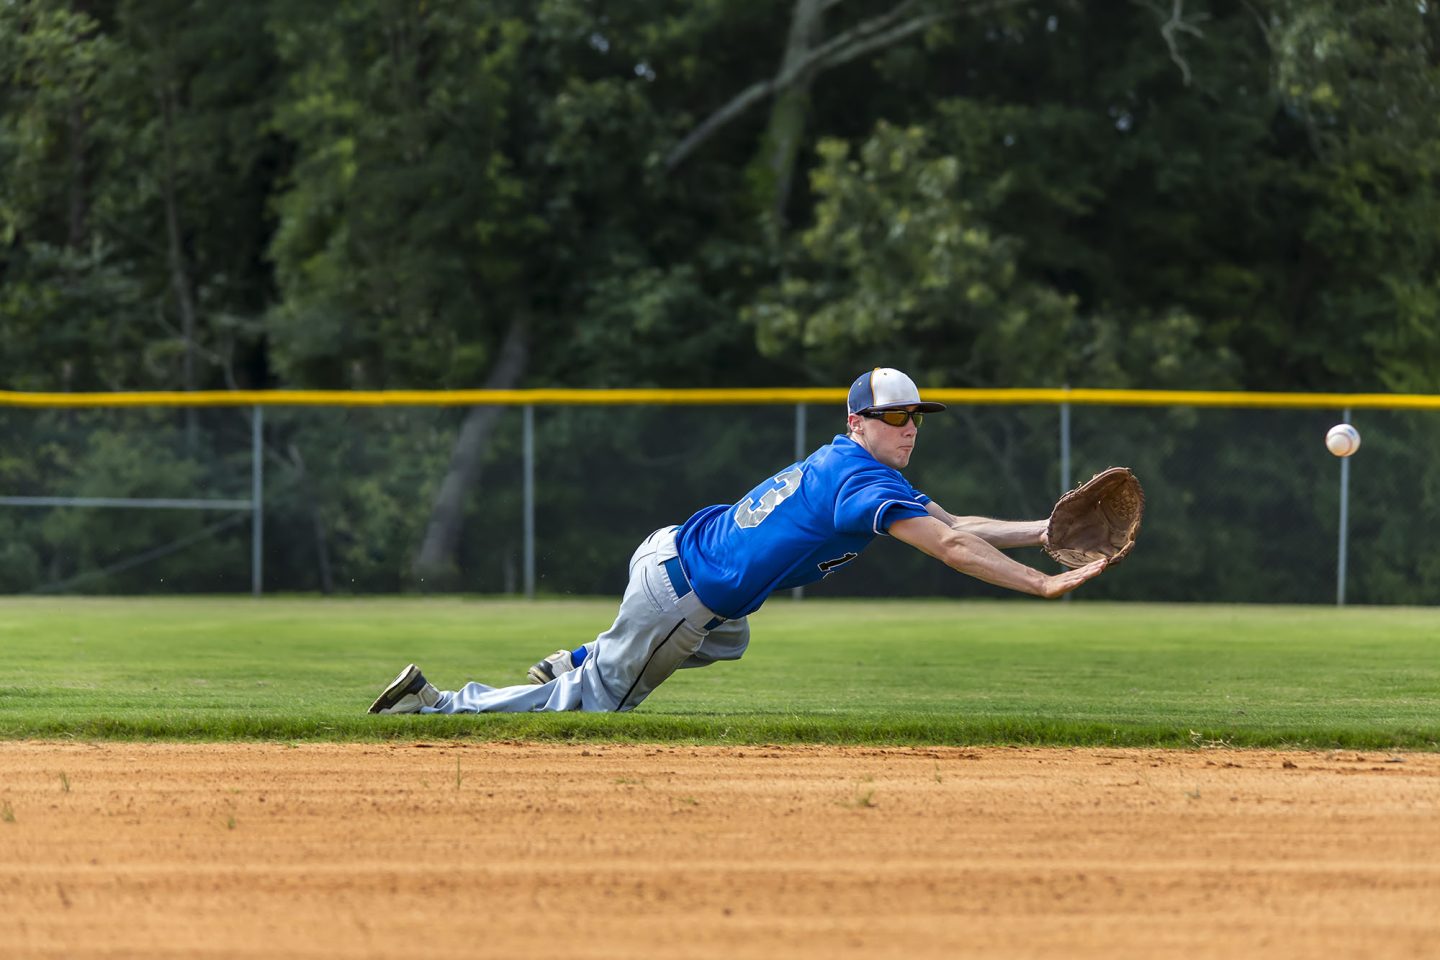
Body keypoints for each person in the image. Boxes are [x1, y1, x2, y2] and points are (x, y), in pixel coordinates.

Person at [367, 367, 1109, 715]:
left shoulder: (853, 468)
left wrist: (1040, 533)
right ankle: (434, 707)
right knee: (591, 709)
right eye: (894, 416)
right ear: (858, 422)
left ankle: (590, 653)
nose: (909, 427)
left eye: (917, 415)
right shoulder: (861, 483)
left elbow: (954, 525)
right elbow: (948, 550)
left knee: (730, 637)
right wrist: (1041, 584)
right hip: (683, 591)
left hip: (674, 553)